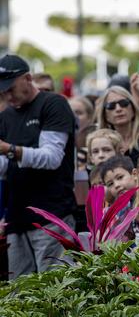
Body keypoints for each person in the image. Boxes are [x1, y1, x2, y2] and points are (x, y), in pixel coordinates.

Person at [0, 54, 77, 279]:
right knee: (19, 294)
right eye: (2, 91)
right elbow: (4, 169)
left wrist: (10, 150)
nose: (7, 95)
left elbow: (52, 157)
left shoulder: (53, 103)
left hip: (52, 214)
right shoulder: (5, 116)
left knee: (56, 289)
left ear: (28, 78)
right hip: (16, 217)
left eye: (11, 88)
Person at [95, 86, 139, 165]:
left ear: (133, 109)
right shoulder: (98, 147)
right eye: (111, 105)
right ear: (105, 115)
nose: (118, 109)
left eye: (123, 103)